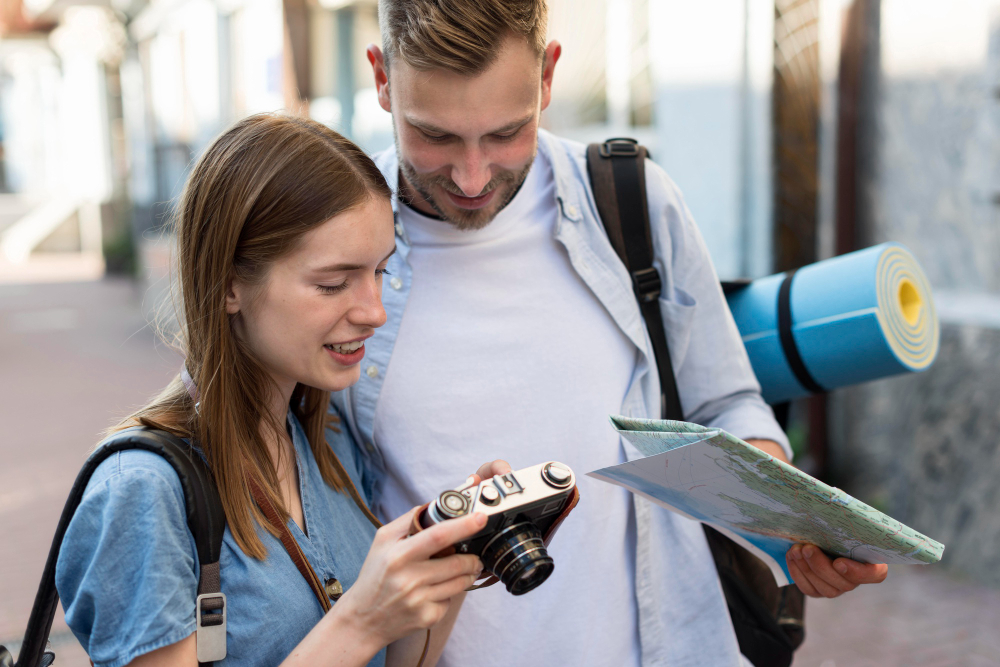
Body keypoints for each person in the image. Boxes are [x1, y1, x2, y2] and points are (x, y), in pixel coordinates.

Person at [328, 1, 891, 665]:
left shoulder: (632, 200)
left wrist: (786, 520)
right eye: (437, 137)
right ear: (382, 78)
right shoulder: (329, 243)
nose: (473, 175)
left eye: (507, 133)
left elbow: (725, 403)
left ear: (547, 74)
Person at [55, 113, 508, 667]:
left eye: (381, 273)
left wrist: (455, 550)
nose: (374, 312)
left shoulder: (329, 443)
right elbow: (358, 635)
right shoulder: (143, 493)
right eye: (333, 283)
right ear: (229, 286)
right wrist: (362, 620)